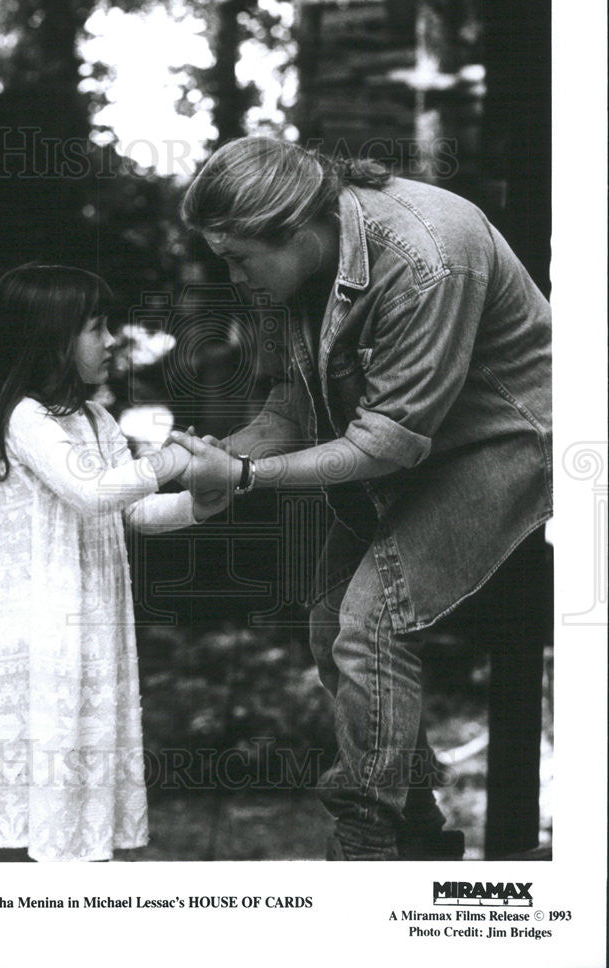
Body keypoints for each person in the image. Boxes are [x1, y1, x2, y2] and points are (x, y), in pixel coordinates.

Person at [172, 136, 552, 860]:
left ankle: (365, 843)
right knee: (329, 626)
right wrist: (213, 459)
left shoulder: (427, 253)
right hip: (419, 444)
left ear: (291, 228)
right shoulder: (297, 273)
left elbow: (387, 443)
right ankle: (413, 831)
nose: (231, 277)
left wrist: (245, 480)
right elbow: (290, 407)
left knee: (373, 623)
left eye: (236, 258)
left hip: (510, 438)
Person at [0, 264, 227, 862]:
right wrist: (171, 459)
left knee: (82, 805)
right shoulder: (22, 416)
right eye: (95, 328)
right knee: (30, 810)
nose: (109, 342)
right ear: (51, 336)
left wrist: (198, 504)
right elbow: (93, 491)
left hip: (90, 631)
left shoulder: (97, 420)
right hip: (37, 633)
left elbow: (129, 513)